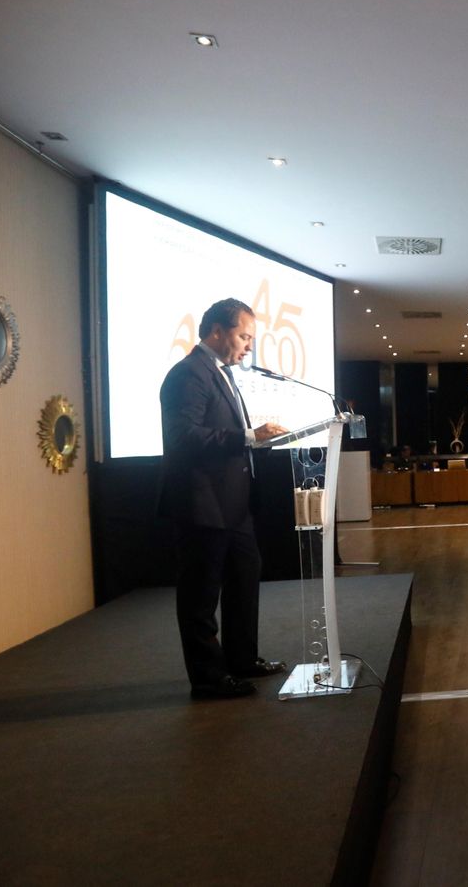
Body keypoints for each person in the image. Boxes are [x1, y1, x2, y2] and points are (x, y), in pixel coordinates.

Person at [158, 298, 289, 700]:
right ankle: (208, 679)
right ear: (217, 331)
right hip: (204, 505)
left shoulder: (221, 374)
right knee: (201, 599)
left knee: (244, 584)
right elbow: (184, 438)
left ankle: (242, 659)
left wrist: (259, 441)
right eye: (244, 336)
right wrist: (249, 436)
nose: (249, 346)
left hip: (235, 506)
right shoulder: (188, 374)